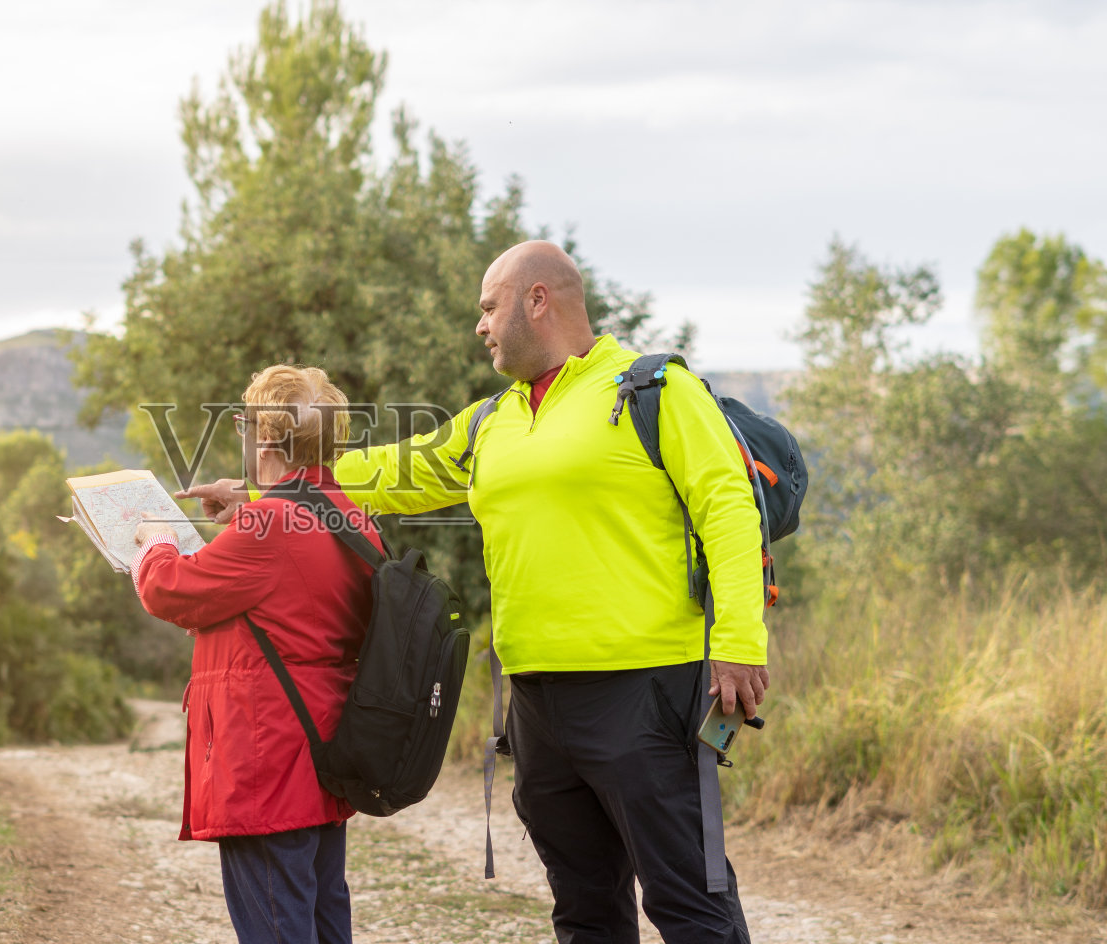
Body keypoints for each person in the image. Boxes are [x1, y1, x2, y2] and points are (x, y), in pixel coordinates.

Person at [179, 240, 768, 944]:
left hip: (645, 690)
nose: (481, 325)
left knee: (687, 901)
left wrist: (737, 644)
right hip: (537, 702)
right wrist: (255, 490)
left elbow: (728, 510)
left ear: (537, 300)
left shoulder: (654, 391)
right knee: (584, 907)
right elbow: (395, 470)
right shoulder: (494, 419)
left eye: (489, 308)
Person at [130, 364, 379, 944]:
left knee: (274, 925)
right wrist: (247, 507)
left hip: (267, 757)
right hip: (321, 752)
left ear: (264, 439)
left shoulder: (269, 525)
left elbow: (169, 589)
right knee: (320, 916)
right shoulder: (348, 512)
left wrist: (155, 539)